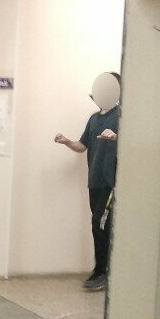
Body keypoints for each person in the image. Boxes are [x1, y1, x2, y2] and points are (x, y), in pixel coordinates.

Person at [53, 72, 121, 291]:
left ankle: (103, 272)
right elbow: (82, 147)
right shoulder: (94, 119)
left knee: (100, 224)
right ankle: (100, 270)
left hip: (112, 182)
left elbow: (134, 142)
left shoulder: (122, 116)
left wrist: (117, 137)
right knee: (97, 225)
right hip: (95, 181)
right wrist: (66, 142)